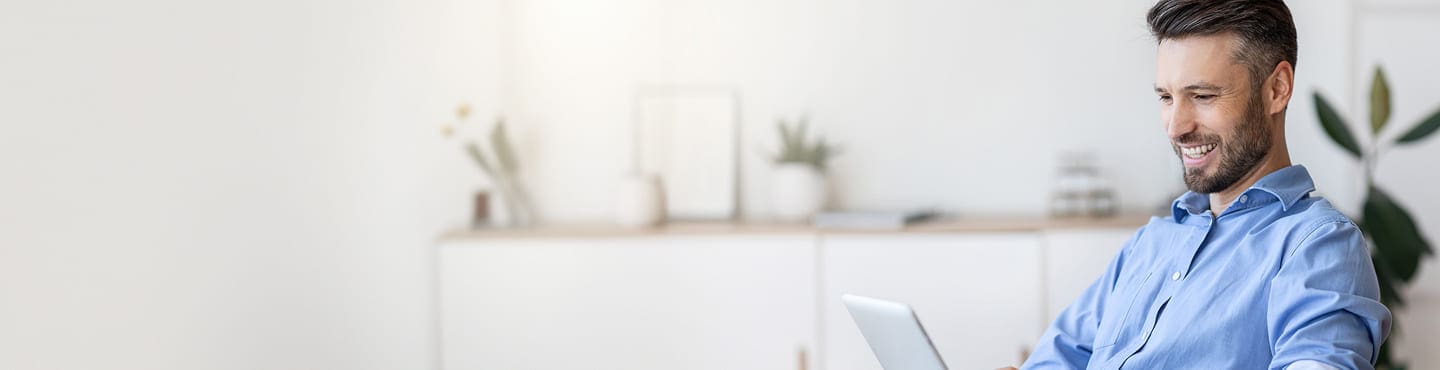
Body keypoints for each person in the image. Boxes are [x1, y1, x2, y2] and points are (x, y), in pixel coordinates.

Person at [1007, 0, 1391, 369]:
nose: (1176, 127)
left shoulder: (1319, 246)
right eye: (1166, 97)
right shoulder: (1151, 243)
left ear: (1277, 89)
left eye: (1202, 96)